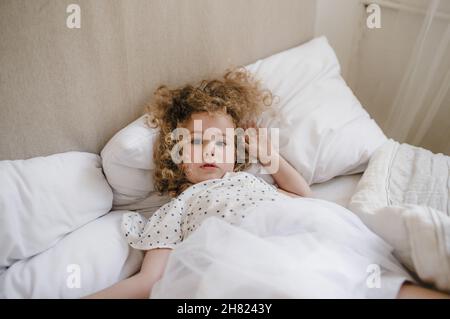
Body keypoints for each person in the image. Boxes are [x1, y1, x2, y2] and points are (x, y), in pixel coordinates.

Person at [85, 67, 449, 299]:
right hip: (238, 252)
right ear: (175, 155)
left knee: (370, 278)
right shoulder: (175, 208)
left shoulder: (250, 179)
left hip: (300, 230)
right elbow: (149, 281)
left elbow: (302, 196)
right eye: (196, 141)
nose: (210, 149)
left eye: (222, 142)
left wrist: (268, 156)